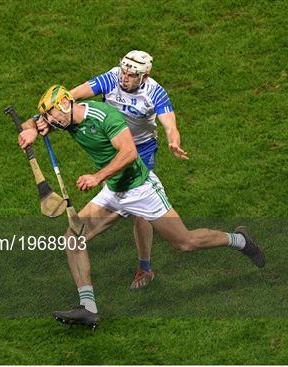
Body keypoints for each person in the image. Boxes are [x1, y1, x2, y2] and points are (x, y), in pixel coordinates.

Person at [19, 85, 266, 328]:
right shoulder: (63, 118)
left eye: (52, 114)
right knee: (73, 239)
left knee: (185, 242)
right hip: (115, 192)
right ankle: (88, 309)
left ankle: (240, 240)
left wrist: (97, 176)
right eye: (48, 116)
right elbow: (33, 122)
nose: (49, 120)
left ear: (65, 104)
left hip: (140, 189)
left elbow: (129, 153)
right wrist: (30, 130)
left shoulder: (104, 116)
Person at [36, 50, 187, 290]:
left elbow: (169, 124)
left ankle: (144, 268)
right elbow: (69, 98)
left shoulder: (155, 92)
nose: (124, 78)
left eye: (131, 75)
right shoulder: (112, 78)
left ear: (144, 76)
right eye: (124, 71)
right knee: (119, 198)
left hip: (141, 149)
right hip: (110, 142)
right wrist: (38, 122)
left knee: (140, 211)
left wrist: (174, 141)